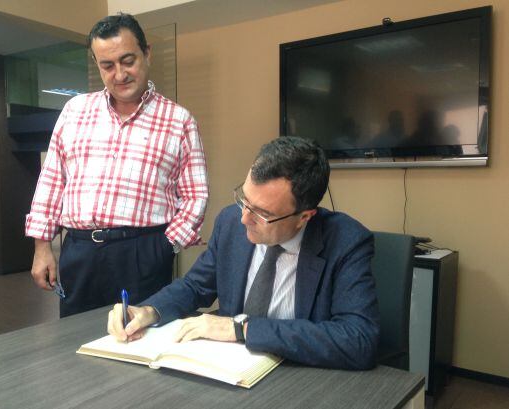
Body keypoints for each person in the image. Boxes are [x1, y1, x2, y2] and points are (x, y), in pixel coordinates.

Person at [108, 136, 379, 369]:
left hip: (298, 375)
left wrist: (242, 329)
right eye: (244, 200)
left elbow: (358, 339)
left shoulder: (345, 241)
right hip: (229, 367)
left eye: (262, 213)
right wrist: (149, 311)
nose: (244, 220)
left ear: (304, 216)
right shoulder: (230, 222)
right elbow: (194, 287)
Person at [25, 13, 208, 317]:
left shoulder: (179, 120)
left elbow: (195, 195)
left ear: (146, 53)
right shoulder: (75, 110)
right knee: (76, 342)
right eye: (107, 65)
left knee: (140, 339)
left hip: (143, 252)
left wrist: (166, 246)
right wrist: (42, 247)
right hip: (80, 251)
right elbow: (52, 182)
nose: (119, 74)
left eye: (128, 61)